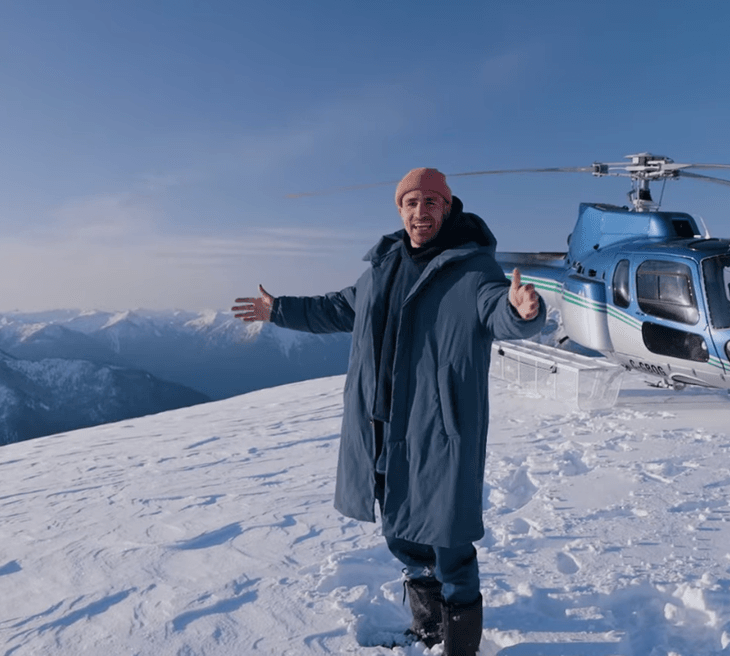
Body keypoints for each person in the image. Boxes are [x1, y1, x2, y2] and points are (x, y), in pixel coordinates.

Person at [232, 167, 545, 655]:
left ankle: (460, 647)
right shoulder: (383, 267)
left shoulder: (473, 270)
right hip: (380, 425)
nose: (421, 212)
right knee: (401, 531)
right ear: (400, 210)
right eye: (411, 203)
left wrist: (523, 311)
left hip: (439, 429)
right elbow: (338, 308)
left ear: (447, 207)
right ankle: (429, 629)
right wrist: (279, 310)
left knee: (448, 538)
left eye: (431, 202)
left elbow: (495, 309)